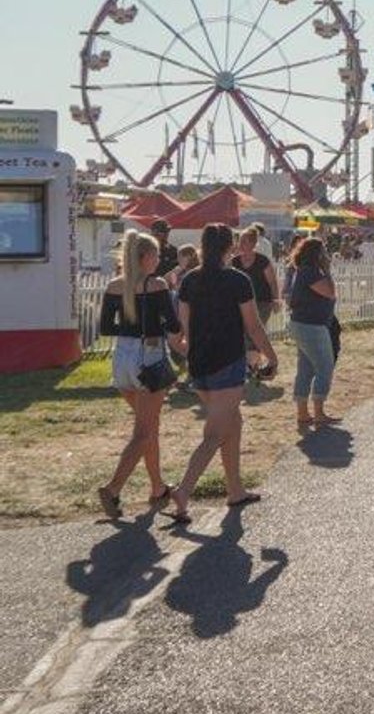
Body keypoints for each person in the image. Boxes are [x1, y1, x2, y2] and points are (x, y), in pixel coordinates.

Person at [166, 224, 279, 524]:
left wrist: (188, 353)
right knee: (215, 433)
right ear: (230, 247)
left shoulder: (190, 280)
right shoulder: (238, 280)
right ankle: (183, 491)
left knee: (232, 422)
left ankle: (235, 489)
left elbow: (184, 328)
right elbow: (253, 326)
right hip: (227, 361)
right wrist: (272, 355)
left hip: (199, 362)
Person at [95, 230, 183, 518]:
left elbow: (106, 328)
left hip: (122, 357)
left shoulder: (114, 286)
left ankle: (157, 486)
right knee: (144, 432)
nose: (159, 259)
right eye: (156, 254)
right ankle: (112, 488)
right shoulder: (156, 284)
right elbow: (173, 325)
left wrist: (132, 330)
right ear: (145, 257)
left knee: (148, 427)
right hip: (149, 355)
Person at [285, 237, 341, 432]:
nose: (326, 255)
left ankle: (303, 413)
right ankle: (318, 412)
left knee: (306, 368)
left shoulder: (303, 271)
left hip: (303, 324)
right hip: (311, 326)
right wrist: (327, 270)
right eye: (323, 251)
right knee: (325, 367)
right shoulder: (311, 272)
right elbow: (330, 292)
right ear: (316, 254)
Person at [233, 224, 279, 383]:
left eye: (245, 241)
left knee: (254, 332)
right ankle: (254, 365)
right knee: (244, 333)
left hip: (262, 301)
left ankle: (252, 366)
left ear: (253, 244)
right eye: (240, 241)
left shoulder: (262, 261)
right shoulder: (235, 262)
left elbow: (272, 282)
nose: (242, 244)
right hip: (242, 303)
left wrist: (276, 299)